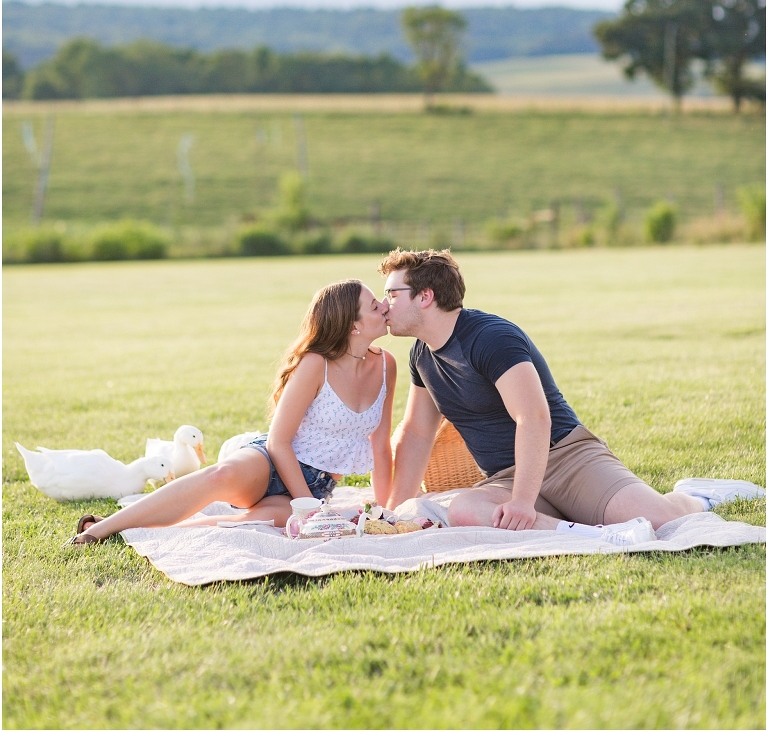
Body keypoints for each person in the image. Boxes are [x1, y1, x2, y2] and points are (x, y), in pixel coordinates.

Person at [382, 248, 764, 533]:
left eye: (392, 294)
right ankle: (588, 537)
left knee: (663, 521)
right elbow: (417, 433)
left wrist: (522, 503)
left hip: (566, 457)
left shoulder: (491, 337)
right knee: (466, 510)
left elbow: (532, 417)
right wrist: (395, 509)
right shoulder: (422, 355)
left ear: (426, 296)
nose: (384, 305)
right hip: (504, 474)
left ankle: (697, 495)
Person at [70, 280, 396, 544]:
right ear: (353, 326)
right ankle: (99, 530)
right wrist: (308, 510)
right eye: (374, 305)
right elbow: (279, 442)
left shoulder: (385, 365)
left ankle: (130, 530)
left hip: (317, 488)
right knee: (220, 475)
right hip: (270, 463)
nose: (385, 306)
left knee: (248, 524)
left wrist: (385, 510)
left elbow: (381, 447)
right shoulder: (315, 365)